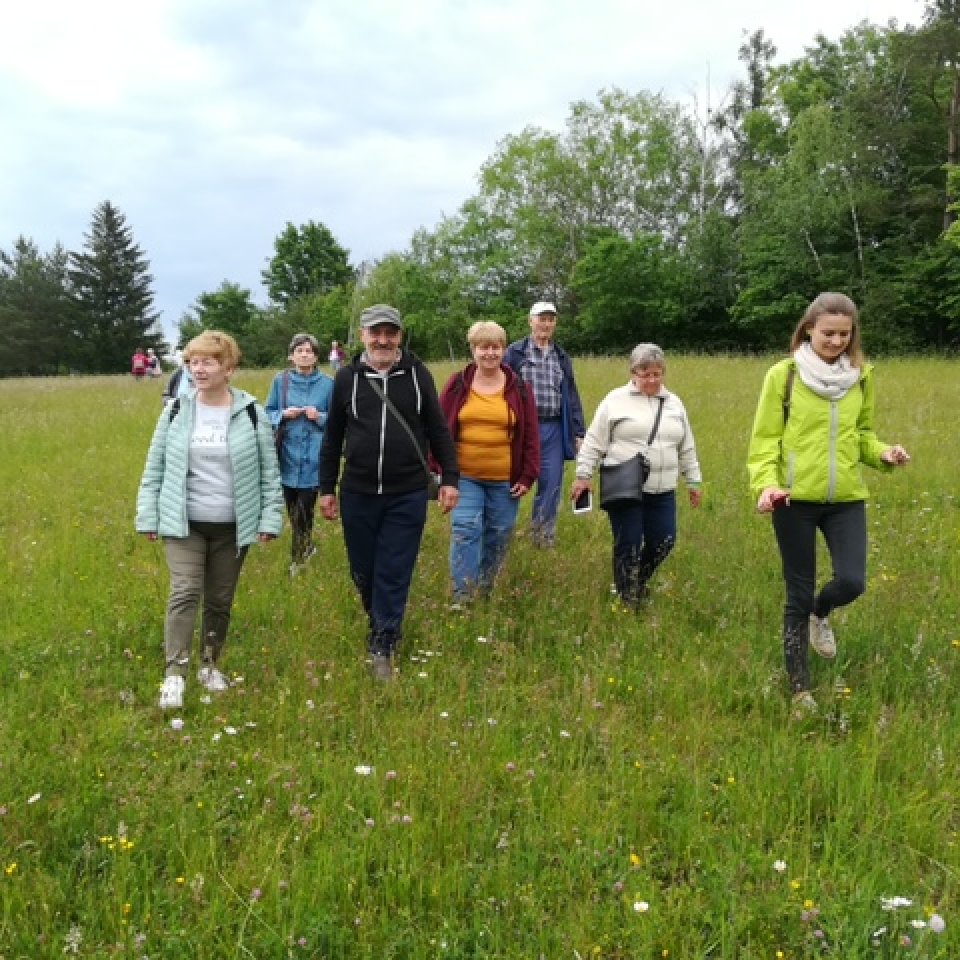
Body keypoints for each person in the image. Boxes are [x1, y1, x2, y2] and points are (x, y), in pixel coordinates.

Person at [747, 292, 911, 717]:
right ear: (808, 330)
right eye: (828, 333)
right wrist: (765, 486)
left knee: (853, 581)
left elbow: (862, 433)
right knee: (796, 594)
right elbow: (765, 441)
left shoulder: (861, 377)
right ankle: (800, 689)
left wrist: (883, 454)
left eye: (844, 333)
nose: (836, 341)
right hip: (793, 500)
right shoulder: (782, 377)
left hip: (846, 500)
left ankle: (824, 613)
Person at [136, 330, 284, 710]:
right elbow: (154, 467)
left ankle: (209, 665)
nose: (198, 369)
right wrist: (148, 514)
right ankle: (175, 673)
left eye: (207, 362)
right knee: (184, 592)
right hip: (184, 522)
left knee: (219, 599)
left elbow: (270, 471)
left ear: (229, 368)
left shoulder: (252, 413)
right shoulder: (175, 410)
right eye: (192, 362)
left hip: (233, 525)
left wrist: (270, 518)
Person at [318, 304, 459, 680]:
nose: (383, 340)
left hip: (407, 491)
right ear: (363, 335)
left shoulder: (417, 375)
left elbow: (438, 429)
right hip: (358, 491)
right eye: (375, 332)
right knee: (363, 570)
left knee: (394, 568)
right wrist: (326, 488)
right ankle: (379, 618)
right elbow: (333, 437)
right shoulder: (347, 378)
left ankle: (384, 641)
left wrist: (450, 479)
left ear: (399, 335)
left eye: (390, 333)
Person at [571, 344, 703, 609]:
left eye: (657, 374)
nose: (652, 380)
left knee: (664, 541)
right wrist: (583, 475)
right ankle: (626, 595)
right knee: (629, 542)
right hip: (626, 486)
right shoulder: (615, 400)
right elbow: (594, 441)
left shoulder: (674, 403)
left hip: (663, 487)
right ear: (633, 373)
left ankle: (638, 581)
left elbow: (686, 444)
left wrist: (693, 479)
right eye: (645, 374)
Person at [437, 321, 540, 606]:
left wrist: (528, 475)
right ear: (473, 350)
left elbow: (531, 435)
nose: (490, 353)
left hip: (505, 479)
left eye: (495, 347)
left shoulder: (519, 388)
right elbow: (439, 429)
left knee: (499, 533)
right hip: (464, 476)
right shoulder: (457, 385)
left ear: (503, 350)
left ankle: (485, 589)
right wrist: (442, 473)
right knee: (465, 530)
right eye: (483, 347)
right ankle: (463, 597)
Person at [504, 301, 585, 547]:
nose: (546, 324)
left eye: (551, 319)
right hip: (521, 429)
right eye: (542, 318)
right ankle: (502, 533)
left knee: (551, 484)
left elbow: (571, 396)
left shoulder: (561, 356)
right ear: (531, 321)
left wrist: (580, 431)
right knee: (512, 479)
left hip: (553, 428)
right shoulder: (515, 352)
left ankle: (542, 537)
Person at [265, 333, 334, 575]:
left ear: (316, 356)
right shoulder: (280, 381)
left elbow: (337, 423)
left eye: (309, 351)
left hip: (315, 459)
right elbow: (268, 412)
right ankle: (308, 547)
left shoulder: (328, 384)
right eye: (300, 350)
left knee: (305, 511)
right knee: (293, 510)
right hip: (287, 456)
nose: (304, 354)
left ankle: (298, 561)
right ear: (291, 355)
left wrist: (320, 417)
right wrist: (284, 414)